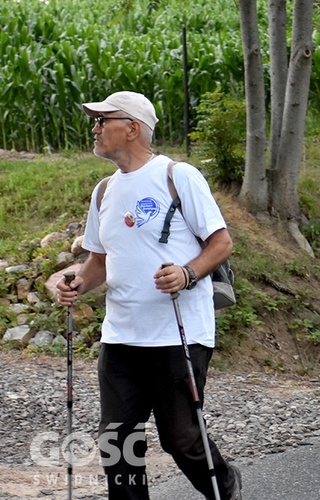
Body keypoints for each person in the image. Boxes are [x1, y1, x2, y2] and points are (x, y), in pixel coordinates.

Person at [56, 91, 242, 499]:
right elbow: (99, 263)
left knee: (181, 439)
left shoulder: (178, 175)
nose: (95, 127)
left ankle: (225, 487)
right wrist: (75, 284)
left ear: (133, 128)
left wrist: (188, 273)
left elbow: (221, 243)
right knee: (117, 446)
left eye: (104, 120)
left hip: (178, 335)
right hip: (121, 338)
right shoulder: (103, 190)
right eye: (96, 120)